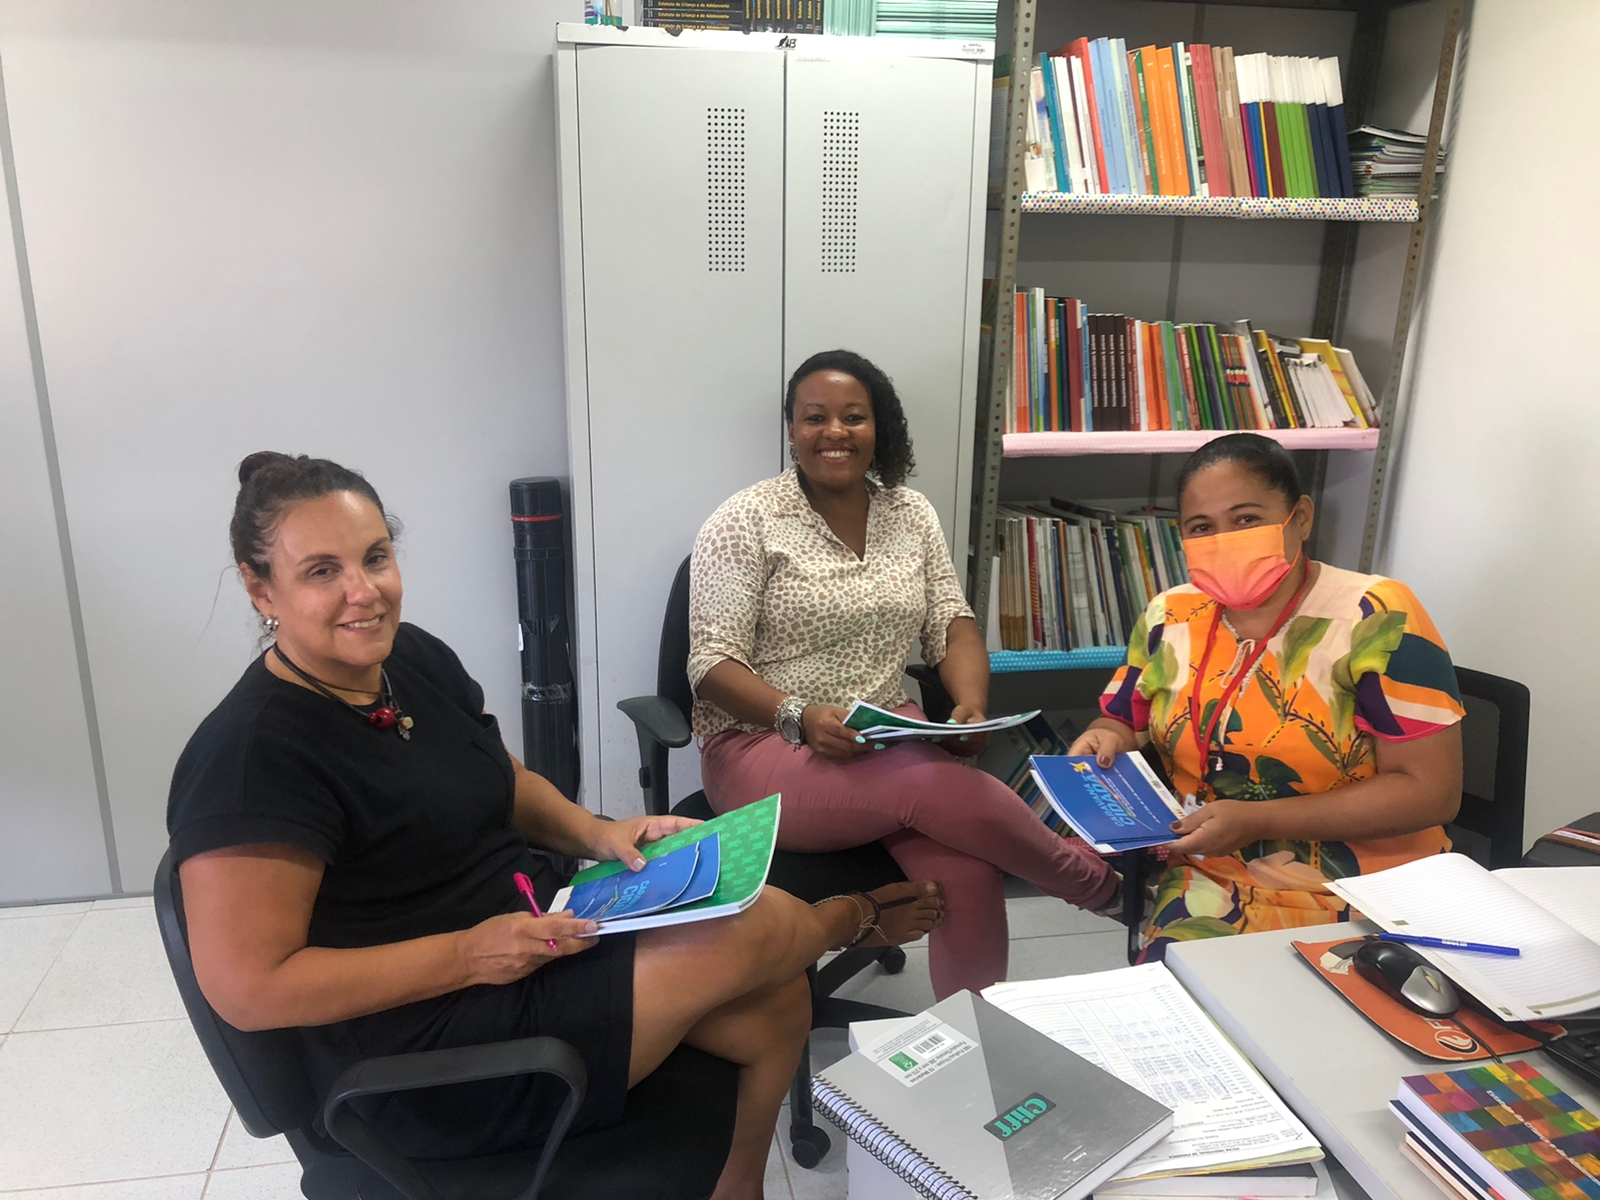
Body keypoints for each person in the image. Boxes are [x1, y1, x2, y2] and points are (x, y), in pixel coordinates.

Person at [167, 452, 945, 1199]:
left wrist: (597, 833)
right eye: (321, 572)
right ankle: (852, 920)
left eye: (375, 557)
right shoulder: (251, 756)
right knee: (760, 927)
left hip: (531, 935)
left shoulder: (410, 661)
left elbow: (499, 780)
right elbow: (250, 991)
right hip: (427, 1040)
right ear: (260, 589)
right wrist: (468, 955)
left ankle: (734, 1189)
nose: (363, 592)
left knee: (775, 1003)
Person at [689, 350, 1121, 1001]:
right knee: (932, 786)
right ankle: (1099, 886)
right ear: (792, 429)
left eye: (853, 417)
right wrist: (800, 716)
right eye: (815, 418)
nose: (834, 432)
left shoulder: (910, 513)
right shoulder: (744, 520)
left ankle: (975, 1036)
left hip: (886, 734)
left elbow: (952, 623)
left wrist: (970, 704)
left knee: (969, 875)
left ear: (879, 427)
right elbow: (709, 664)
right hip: (764, 747)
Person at [1069, 433, 1464, 960]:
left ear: (1301, 518)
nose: (1224, 539)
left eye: (1247, 519)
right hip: (1210, 883)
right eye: (1201, 527)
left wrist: (1261, 820)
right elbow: (1121, 720)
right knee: (1180, 1001)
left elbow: (1432, 792)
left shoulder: (1376, 615)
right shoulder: (1170, 615)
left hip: (1370, 893)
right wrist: (1104, 737)